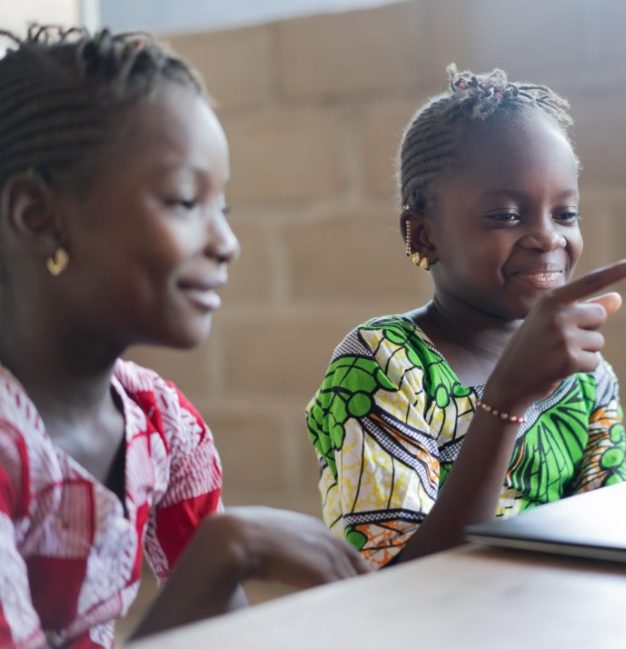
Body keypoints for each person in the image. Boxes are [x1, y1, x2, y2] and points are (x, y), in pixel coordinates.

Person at [0, 26, 367, 649]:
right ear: (39, 217)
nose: (227, 243)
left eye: (223, 208)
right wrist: (227, 550)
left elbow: (224, 637)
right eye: (183, 201)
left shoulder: (160, 423)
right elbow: (217, 571)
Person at [306, 66, 626, 569]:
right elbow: (394, 580)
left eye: (565, 214)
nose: (548, 237)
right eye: (506, 215)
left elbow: (610, 538)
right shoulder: (384, 363)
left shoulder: (585, 375)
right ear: (424, 235)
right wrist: (506, 399)